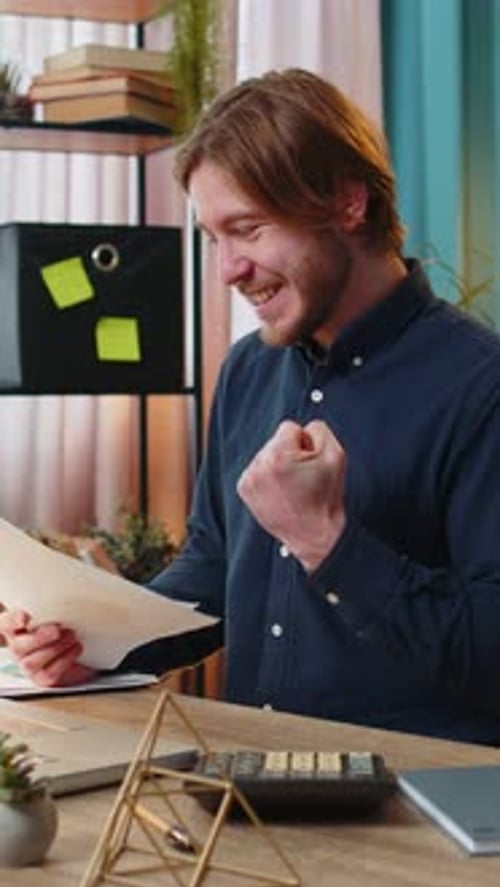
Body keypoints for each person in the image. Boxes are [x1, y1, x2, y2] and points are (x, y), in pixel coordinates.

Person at [2, 67, 500, 745]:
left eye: (249, 229)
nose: (228, 269)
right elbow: (213, 567)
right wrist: (94, 644)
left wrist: (326, 541)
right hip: (248, 781)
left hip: (412, 795)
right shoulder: (249, 369)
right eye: (216, 239)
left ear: (348, 205)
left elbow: (490, 653)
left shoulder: (480, 386)